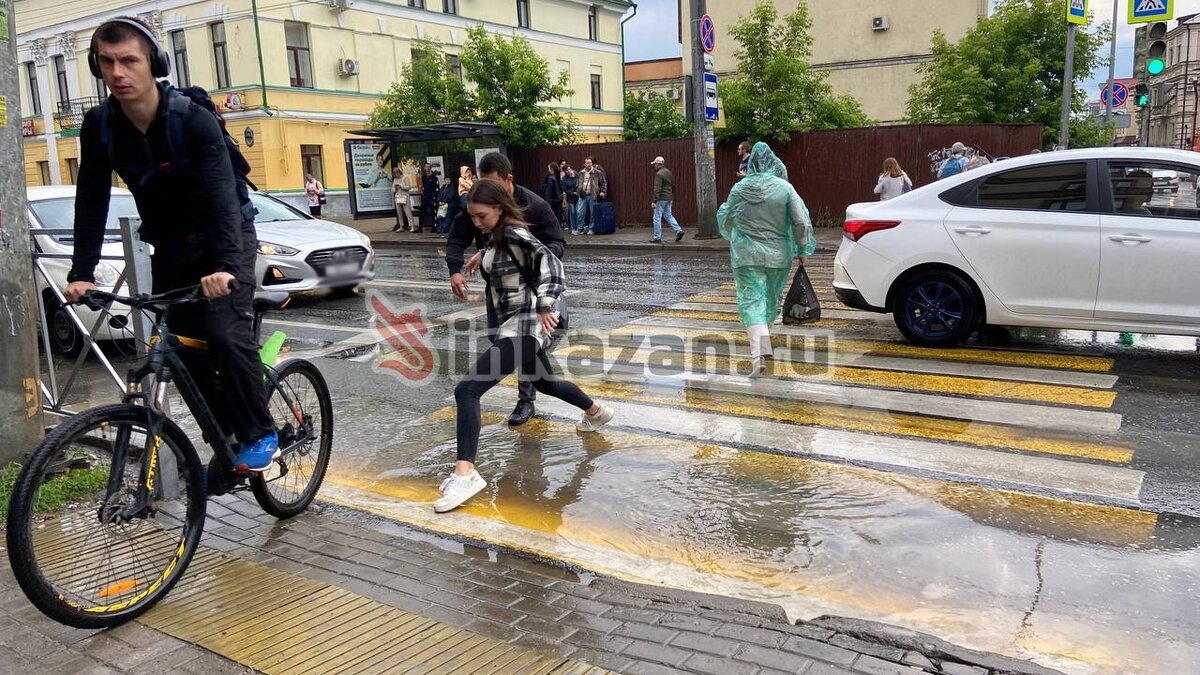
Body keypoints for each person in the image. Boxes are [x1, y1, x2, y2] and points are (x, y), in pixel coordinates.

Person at [65, 17, 278, 471]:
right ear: (96, 66)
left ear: (153, 64)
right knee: (181, 349)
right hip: (171, 248)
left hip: (227, 240)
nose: (118, 73)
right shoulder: (101, 125)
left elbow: (224, 194)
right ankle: (227, 440)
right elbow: (91, 196)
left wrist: (224, 265)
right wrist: (81, 271)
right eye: (107, 62)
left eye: (129, 61)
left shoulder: (192, 120)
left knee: (222, 333)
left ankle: (262, 431)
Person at [435, 179, 612, 513]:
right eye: (473, 217)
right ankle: (596, 412)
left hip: (525, 326)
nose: (477, 223)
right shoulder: (498, 236)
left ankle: (466, 474)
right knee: (545, 382)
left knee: (467, 391)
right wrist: (482, 255)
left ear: (500, 209)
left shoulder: (515, 235)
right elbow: (507, 257)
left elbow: (552, 266)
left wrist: (546, 304)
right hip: (515, 326)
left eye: (482, 216)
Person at [446, 152, 566, 426]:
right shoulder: (479, 201)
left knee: (516, 345)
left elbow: (556, 248)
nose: (486, 191)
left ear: (508, 179)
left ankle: (525, 399)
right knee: (511, 347)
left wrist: (519, 250)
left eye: (493, 185)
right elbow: (458, 236)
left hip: (530, 296)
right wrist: (457, 267)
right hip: (498, 292)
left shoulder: (534, 205)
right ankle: (592, 408)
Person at [716, 142, 814, 378]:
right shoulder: (785, 188)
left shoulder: (740, 189)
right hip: (779, 255)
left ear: (751, 164)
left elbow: (727, 217)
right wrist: (802, 248)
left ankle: (758, 355)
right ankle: (764, 349)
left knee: (752, 302)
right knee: (770, 299)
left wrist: (735, 232)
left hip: (746, 255)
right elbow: (800, 221)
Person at [650, 156, 684, 243]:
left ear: (658, 164)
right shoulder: (669, 172)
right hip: (669, 198)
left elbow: (657, 188)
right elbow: (673, 185)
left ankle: (657, 237)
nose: (654, 166)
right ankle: (678, 230)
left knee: (657, 217)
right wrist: (672, 194)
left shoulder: (659, 174)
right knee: (668, 215)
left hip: (661, 198)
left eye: (655, 164)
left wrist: (654, 201)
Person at [576, 156, 607, 235]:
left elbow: (603, 182)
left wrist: (603, 191)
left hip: (592, 195)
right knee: (580, 212)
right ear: (584, 164)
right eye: (587, 163)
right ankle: (580, 229)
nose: (589, 164)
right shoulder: (580, 173)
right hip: (582, 195)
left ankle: (591, 228)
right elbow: (577, 183)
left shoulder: (597, 172)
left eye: (590, 163)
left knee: (593, 213)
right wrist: (578, 190)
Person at [541, 162, 565, 228]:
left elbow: (549, 191)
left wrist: (547, 201)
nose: (548, 170)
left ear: (551, 169)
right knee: (558, 215)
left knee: (553, 216)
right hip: (558, 199)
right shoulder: (557, 177)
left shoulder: (550, 178)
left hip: (553, 200)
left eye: (548, 168)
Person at [418, 162, 439, 233]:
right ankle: (420, 227)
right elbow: (421, 187)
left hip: (432, 198)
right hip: (425, 198)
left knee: (434, 213)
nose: (427, 168)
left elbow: (437, 188)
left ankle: (434, 227)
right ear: (424, 168)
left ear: (431, 168)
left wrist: (435, 198)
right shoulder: (423, 178)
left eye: (429, 167)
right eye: (426, 167)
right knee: (422, 213)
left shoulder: (434, 178)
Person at [391, 167, 415, 232]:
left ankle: (412, 226)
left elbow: (410, 186)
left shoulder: (405, 178)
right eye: (395, 174)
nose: (396, 175)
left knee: (408, 212)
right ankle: (401, 226)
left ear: (399, 172)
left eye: (397, 174)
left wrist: (402, 187)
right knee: (399, 213)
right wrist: (395, 188)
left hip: (405, 197)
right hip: (398, 197)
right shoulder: (395, 180)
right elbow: (392, 189)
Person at [561, 164, 580, 233]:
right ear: (564, 171)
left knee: (578, 212)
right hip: (570, 197)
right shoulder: (564, 179)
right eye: (567, 170)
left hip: (577, 196)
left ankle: (578, 227)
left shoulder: (576, 175)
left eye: (569, 169)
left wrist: (577, 191)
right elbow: (564, 189)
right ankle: (573, 228)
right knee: (572, 212)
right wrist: (572, 192)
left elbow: (579, 184)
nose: (568, 171)